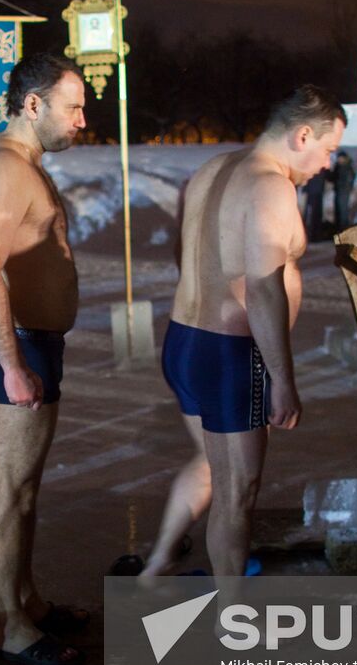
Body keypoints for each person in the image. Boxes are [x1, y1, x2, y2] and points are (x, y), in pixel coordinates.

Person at [145, 86, 343, 584]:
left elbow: (183, 249)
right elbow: (263, 289)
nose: (327, 164)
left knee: (215, 470)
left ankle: (161, 562)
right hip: (231, 355)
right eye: (329, 149)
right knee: (238, 492)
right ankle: (230, 620)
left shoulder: (215, 168)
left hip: (185, 342)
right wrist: (281, 377)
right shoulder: (270, 186)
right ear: (302, 135)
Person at [0, 52, 87, 665]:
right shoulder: (5, 167)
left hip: (36, 342)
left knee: (27, 490)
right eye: (74, 107)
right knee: (9, 493)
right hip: (17, 344)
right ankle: (11, 625)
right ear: (33, 105)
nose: (83, 120)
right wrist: (12, 363)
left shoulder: (22, 161)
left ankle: (27, 599)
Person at [327, 148, 356, 233]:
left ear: (344, 158)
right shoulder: (339, 166)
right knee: (338, 211)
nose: (339, 159)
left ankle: (343, 231)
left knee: (343, 211)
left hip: (344, 191)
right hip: (339, 190)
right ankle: (339, 230)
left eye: (340, 158)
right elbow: (333, 178)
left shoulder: (347, 167)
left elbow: (349, 179)